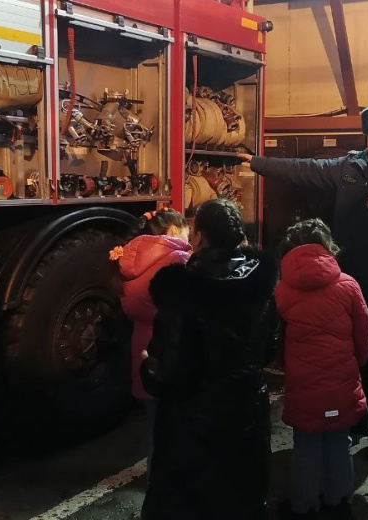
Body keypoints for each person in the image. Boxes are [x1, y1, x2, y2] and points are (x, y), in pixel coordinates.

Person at [240, 105, 368, 460]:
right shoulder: (350, 167)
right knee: (353, 359)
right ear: (367, 137)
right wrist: (257, 163)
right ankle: (357, 420)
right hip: (347, 285)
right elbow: (305, 170)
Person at [139, 198, 280, 520]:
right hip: (246, 411)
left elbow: (168, 375)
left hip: (194, 423)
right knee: (240, 497)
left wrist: (147, 364)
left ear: (199, 236)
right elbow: (270, 348)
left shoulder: (183, 290)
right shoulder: (260, 283)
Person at [275, 218, 368, 520]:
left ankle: (304, 505)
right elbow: (363, 331)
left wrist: (284, 365)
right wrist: (357, 362)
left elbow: (276, 337)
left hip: (302, 384)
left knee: (306, 444)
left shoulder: (281, 290)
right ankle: (338, 501)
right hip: (342, 381)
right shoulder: (348, 285)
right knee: (340, 441)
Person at [110, 209, 191, 473]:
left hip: (142, 350)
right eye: (187, 229)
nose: (189, 235)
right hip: (173, 350)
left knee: (155, 428)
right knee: (180, 428)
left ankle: (156, 480)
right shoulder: (178, 259)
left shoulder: (126, 260)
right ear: (173, 230)